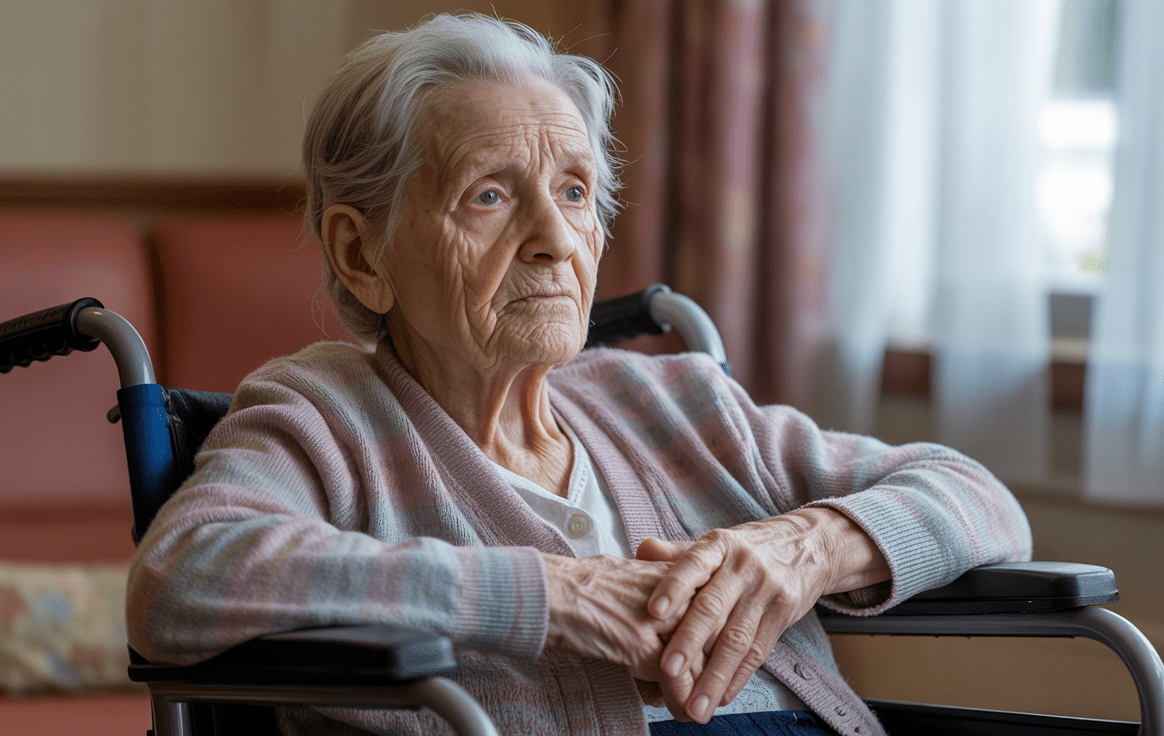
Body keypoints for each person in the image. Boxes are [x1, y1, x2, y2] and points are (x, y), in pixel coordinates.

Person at [126, 13, 1031, 736]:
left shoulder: (671, 399)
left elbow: (980, 498)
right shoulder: (324, 418)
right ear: (362, 255)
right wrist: (555, 594)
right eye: (489, 194)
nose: (556, 240)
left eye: (573, 192)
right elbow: (180, 578)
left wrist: (801, 551)